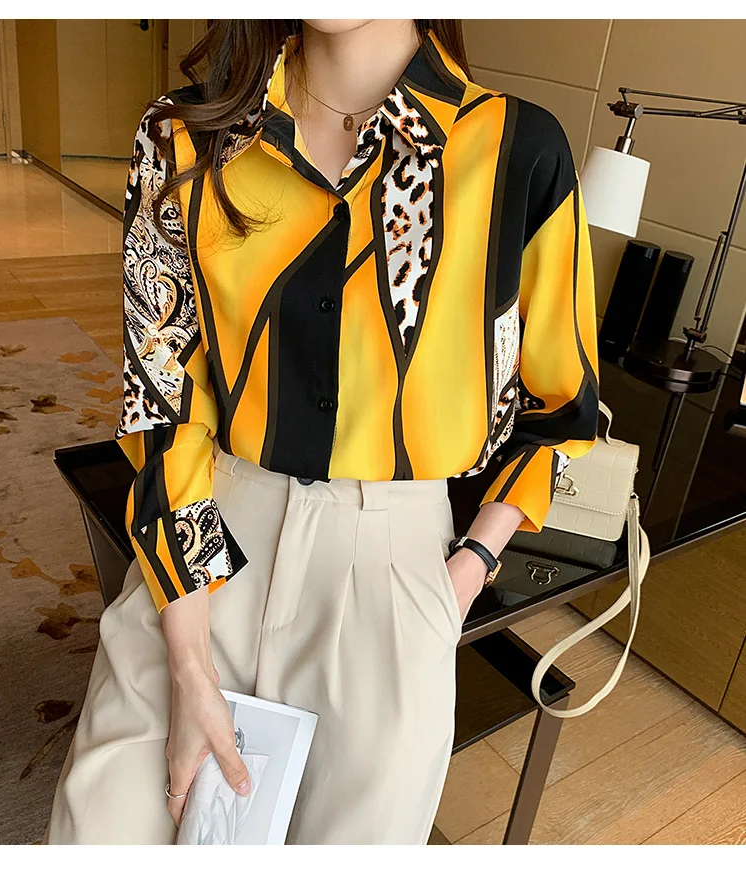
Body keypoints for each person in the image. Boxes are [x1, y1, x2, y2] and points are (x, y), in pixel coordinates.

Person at [43, 18, 599, 845]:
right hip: (207, 544)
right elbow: (164, 401)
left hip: (392, 573)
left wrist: (463, 574)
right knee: (100, 831)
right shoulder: (184, 137)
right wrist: (189, 663)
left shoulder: (519, 150)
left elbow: (562, 406)